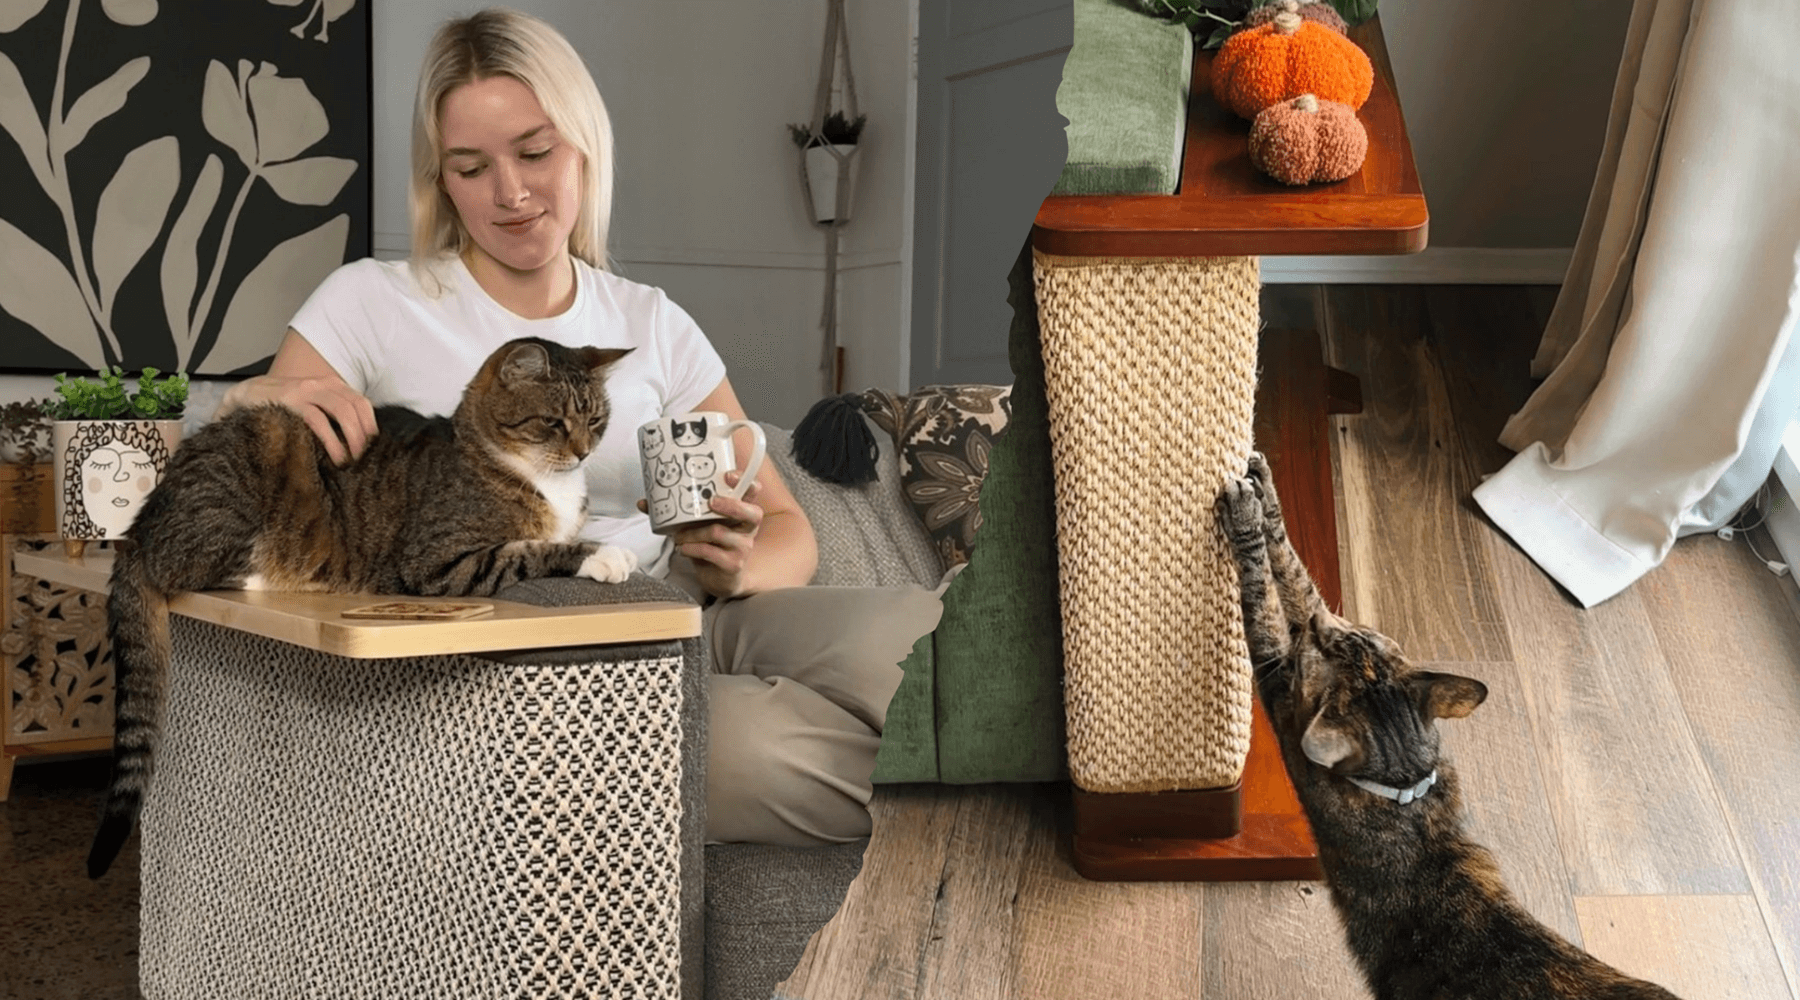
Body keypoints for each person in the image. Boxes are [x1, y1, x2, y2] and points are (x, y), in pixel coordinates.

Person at [218, 7, 941, 847]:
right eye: (471, 167)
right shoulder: (373, 303)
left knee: (922, 640)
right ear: (440, 181)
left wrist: (739, 565)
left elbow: (786, 528)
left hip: (696, 609)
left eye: (534, 152)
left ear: (584, 144)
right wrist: (247, 401)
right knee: (749, 743)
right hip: (533, 645)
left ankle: (968, 809)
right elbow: (253, 458)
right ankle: (958, 823)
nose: (512, 192)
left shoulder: (651, 320)